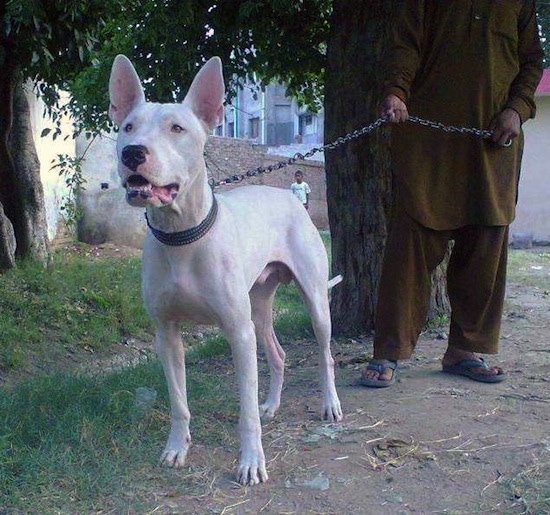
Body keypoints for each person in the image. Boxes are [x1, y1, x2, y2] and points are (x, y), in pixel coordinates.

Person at [360, 1, 544, 387]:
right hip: (428, 141)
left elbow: (531, 61)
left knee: (486, 243)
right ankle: (389, 351)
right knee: (409, 243)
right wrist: (396, 91)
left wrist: (518, 107)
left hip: (494, 143)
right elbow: (404, 46)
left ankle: (464, 349)